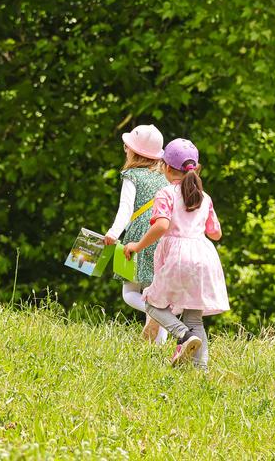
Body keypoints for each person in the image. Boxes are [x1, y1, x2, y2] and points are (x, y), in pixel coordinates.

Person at [123, 138, 229, 369]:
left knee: (151, 303)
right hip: (204, 257)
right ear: (195, 169)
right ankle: (200, 371)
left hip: (178, 258)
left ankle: (182, 335)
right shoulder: (204, 197)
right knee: (194, 319)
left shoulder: (166, 193)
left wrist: (136, 246)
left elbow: (161, 225)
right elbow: (216, 233)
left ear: (166, 167)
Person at [104, 124, 170, 344]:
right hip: (163, 235)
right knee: (157, 292)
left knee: (129, 292)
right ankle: (159, 343)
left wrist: (113, 233)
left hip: (139, 236)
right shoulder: (165, 175)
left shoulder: (131, 175)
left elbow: (126, 208)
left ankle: (159, 313)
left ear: (134, 151)